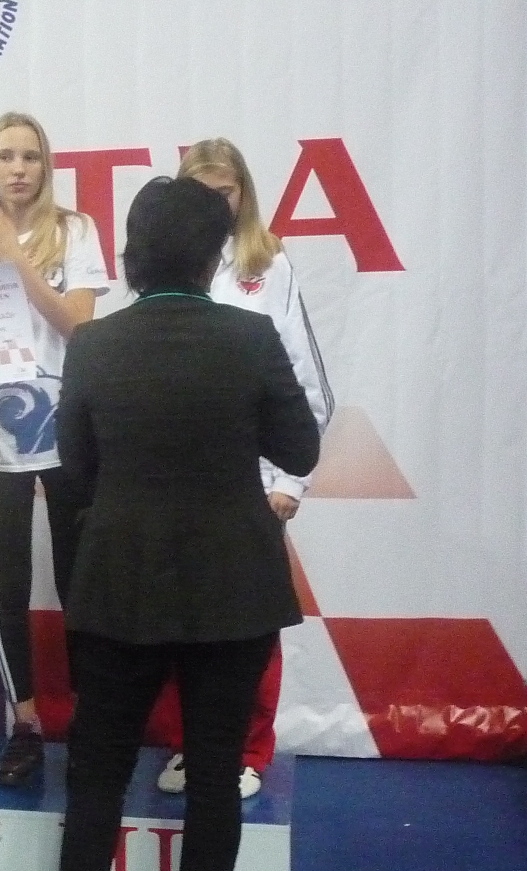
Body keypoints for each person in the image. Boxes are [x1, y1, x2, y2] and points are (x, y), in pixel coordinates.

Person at [34, 176, 319, 871]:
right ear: (211, 256)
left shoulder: (94, 345)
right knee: (215, 775)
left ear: (132, 257)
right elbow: (299, 451)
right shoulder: (250, 338)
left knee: (97, 774)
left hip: (119, 584)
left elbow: (77, 469)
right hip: (233, 590)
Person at [150, 138, 335, 800]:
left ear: (244, 192)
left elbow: (308, 385)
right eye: (198, 192)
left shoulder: (268, 263)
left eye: (224, 191)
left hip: (251, 487)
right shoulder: (162, 268)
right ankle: (187, 745)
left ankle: (245, 750)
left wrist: (289, 483)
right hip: (177, 485)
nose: (212, 204)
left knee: (249, 629)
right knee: (178, 623)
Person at [0, 111, 108, 785]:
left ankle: (93, 723)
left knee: (78, 584)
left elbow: (80, 328)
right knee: (10, 588)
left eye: (29, 156)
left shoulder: (76, 232)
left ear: (46, 165)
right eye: (4, 156)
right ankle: (25, 724)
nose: (17, 168)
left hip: (69, 431)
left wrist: (12, 251)